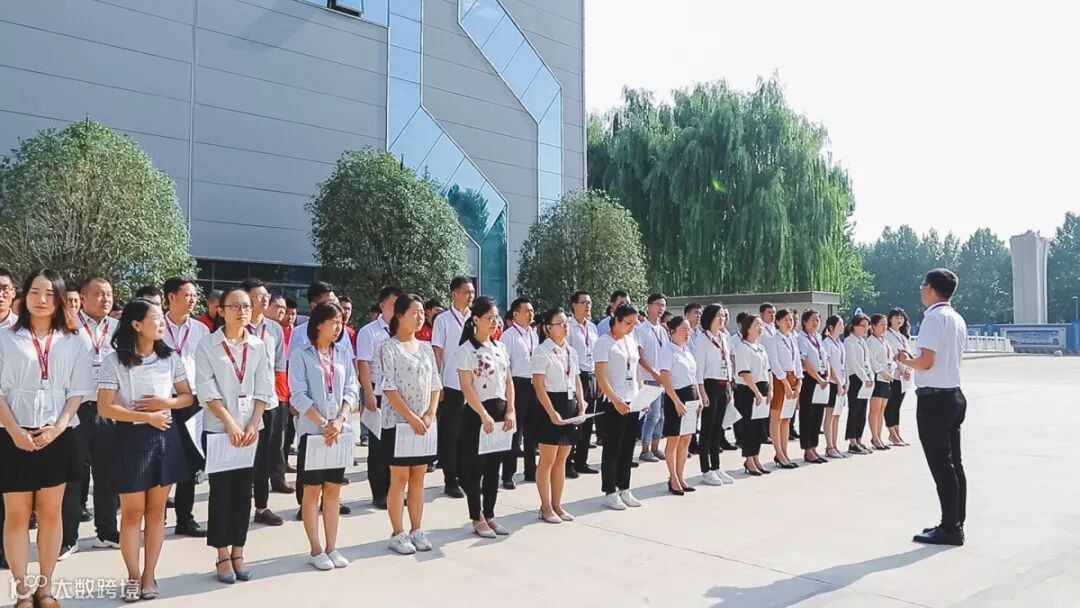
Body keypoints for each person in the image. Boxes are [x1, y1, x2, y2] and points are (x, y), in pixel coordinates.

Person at [0, 269, 94, 608]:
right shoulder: (5, 337)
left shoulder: (74, 340)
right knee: (17, 515)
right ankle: (21, 590)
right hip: (12, 434)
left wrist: (57, 428)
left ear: (60, 300)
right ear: (23, 295)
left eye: (50, 294)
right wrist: (15, 432)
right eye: (35, 292)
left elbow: (78, 391)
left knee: (51, 513)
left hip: (58, 436)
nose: (42, 299)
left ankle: (46, 587)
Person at [97, 298, 194, 600]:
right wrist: (145, 417)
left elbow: (187, 397)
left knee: (156, 512)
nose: (162, 322)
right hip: (130, 439)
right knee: (132, 512)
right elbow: (105, 407)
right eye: (155, 317)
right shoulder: (115, 361)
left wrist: (165, 403)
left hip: (165, 438)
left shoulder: (170, 358)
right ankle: (133, 575)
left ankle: (150, 574)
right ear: (136, 324)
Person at [194, 286, 274, 584]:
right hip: (220, 430)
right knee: (221, 493)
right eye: (235, 306)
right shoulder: (207, 345)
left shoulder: (258, 345)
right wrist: (229, 423)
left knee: (244, 492)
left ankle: (239, 550)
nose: (242, 311)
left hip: (251, 431)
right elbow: (206, 388)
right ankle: (222, 554)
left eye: (246, 306)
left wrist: (253, 423)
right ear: (221, 310)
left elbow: (264, 387)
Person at [897, 268, 967, 546]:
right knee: (954, 464)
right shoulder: (956, 317)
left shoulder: (933, 318)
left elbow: (926, 362)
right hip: (954, 395)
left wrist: (906, 360)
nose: (920, 290)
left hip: (934, 400)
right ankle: (956, 521)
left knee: (941, 466)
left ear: (930, 288)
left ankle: (949, 528)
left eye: (922, 285)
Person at [288, 302, 356, 570]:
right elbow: (298, 395)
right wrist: (323, 422)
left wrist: (339, 420)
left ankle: (332, 546)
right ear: (319, 324)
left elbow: (351, 389)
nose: (338, 327)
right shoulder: (301, 355)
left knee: (333, 489)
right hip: (313, 432)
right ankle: (316, 548)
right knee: (312, 490)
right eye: (333, 322)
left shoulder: (342, 353)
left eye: (341, 323)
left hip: (338, 432)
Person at [378, 294, 440, 554]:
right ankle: (397, 532)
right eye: (414, 312)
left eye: (422, 313)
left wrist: (429, 414)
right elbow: (389, 386)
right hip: (398, 423)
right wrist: (411, 417)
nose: (420, 317)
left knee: (418, 477)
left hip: (424, 424)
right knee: (399, 478)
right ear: (399, 316)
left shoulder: (426, 348)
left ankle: (417, 529)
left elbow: (435, 383)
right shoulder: (389, 347)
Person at [66, 277, 120, 557]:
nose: (105, 299)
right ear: (83, 298)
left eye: (109, 294)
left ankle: (107, 531)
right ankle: (68, 537)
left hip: (108, 409)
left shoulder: (119, 328)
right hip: (77, 408)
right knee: (73, 474)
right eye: (99, 294)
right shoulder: (69, 326)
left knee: (107, 474)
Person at [455, 297, 515, 538]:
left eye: (496, 318)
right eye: (489, 318)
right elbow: (467, 387)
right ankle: (476, 517)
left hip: (500, 411)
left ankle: (489, 514)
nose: (494, 322)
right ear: (476, 320)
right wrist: (483, 414)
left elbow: (508, 381)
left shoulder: (500, 347)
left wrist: (510, 410)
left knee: (494, 468)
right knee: (475, 469)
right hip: (476, 414)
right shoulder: (466, 350)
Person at [161, 277, 211, 538]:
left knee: (191, 461)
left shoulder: (201, 330)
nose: (192, 300)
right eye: (187, 295)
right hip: (163, 401)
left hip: (193, 401)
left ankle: (185, 518)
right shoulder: (156, 325)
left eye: (194, 295)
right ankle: (157, 516)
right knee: (162, 460)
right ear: (171, 297)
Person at [240, 279, 291, 528]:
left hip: (268, 402)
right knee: (242, 458)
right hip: (241, 404)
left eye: (266, 295)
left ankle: (262, 506)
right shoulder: (237, 326)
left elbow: (279, 365)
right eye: (258, 295)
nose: (264, 299)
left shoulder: (274, 329)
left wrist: (279, 397)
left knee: (263, 458)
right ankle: (239, 505)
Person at [531, 308, 584, 523]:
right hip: (550, 405)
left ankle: (557, 504)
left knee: (562, 458)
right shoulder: (542, 351)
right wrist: (551, 412)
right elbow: (538, 385)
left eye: (566, 323)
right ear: (548, 328)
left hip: (569, 404)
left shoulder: (571, 351)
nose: (565, 326)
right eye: (560, 323)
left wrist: (581, 406)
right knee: (548, 459)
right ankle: (545, 506)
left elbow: (577, 380)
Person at [593, 304, 644, 510]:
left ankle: (624, 487)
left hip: (632, 401)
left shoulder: (631, 340)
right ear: (616, 320)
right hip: (613, 402)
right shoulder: (603, 342)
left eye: (634, 323)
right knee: (612, 448)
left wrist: (642, 395)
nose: (632, 327)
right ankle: (610, 491)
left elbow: (636, 370)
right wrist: (615, 400)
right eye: (628, 323)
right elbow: (601, 377)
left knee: (628, 448)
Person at [355, 286, 401, 510]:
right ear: (382, 306)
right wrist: (368, 393)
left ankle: (394, 491)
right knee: (378, 447)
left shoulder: (403, 331)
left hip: (399, 393)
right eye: (393, 305)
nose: (397, 309)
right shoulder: (369, 331)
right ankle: (379, 493)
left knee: (395, 445)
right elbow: (363, 363)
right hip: (378, 391)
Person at [431, 276, 475, 499]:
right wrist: (437, 382)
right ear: (454, 294)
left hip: (474, 386)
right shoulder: (443, 320)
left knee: (469, 434)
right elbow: (437, 352)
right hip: (451, 384)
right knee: (451, 434)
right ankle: (451, 479)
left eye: (472, 292)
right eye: (466, 292)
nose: (470, 296)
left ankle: (466, 475)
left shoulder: (475, 319)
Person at [693, 304, 736, 486]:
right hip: (709, 385)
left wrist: (730, 385)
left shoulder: (724, 337)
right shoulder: (702, 340)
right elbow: (699, 370)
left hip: (724, 385)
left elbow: (728, 361)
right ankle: (706, 469)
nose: (721, 319)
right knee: (707, 429)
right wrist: (702, 392)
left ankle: (716, 467)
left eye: (723, 316)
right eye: (718, 316)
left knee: (718, 429)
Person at [658, 316, 700, 495]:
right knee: (674, 439)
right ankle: (673, 478)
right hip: (676, 397)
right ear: (672, 332)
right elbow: (665, 378)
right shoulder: (667, 350)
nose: (687, 333)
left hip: (691, 397)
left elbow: (693, 376)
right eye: (683, 329)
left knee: (686, 439)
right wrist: (676, 401)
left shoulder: (687, 351)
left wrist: (698, 398)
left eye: (688, 329)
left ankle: (681, 476)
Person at [499, 298, 538, 489]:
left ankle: (531, 470)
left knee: (532, 430)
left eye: (532, 311)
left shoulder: (534, 334)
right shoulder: (509, 336)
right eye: (527, 311)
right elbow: (504, 366)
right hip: (517, 384)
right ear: (515, 314)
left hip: (533, 384)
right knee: (514, 431)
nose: (531, 314)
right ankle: (508, 474)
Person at [732, 314, 772, 476]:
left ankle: (756, 457)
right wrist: (756, 392)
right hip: (748, 390)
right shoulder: (743, 347)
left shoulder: (760, 347)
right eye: (757, 325)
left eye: (761, 325)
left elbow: (768, 370)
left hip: (762, 388)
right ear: (748, 328)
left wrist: (770, 390)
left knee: (759, 427)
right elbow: (744, 373)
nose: (760, 328)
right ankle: (749, 459)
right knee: (748, 426)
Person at [566, 291, 599, 477]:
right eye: (584, 302)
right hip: (575, 376)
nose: (588, 306)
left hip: (591, 375)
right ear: (574, 305)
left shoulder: (592, 327)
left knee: (588, 421)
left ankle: (582, 461)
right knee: (575, 420)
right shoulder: (568, 326)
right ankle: (567, 462)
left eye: (589, 302)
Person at [764, 309, 800, 469]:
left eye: (791, 320)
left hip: (792, 378)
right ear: (777, 322)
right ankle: (778, 453)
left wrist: (799, 381)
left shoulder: (792, 338)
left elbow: (797, 361)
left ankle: (785, 453)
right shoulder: (773, 340)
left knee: (786, 418)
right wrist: (784, 383)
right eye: (785, 320)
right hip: (780, 380)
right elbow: (774, 362)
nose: (789, 323)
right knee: (776, 418)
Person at [634, 293, 668, 463]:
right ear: (649, 306)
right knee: (652, 415)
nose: (661, 308)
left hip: (662, 379)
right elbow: (639, 356)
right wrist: (653, 372)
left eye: (663, 305)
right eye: (657, 304)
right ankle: (645, 449)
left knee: (661, 416)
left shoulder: (662, 330)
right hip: (648, 378)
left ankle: (655, 447)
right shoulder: (641, 330)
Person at [797, 310, 830, 464]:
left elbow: (825, 358)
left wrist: (826, 376)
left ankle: (814, 447)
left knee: (818, 414)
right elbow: (804, 361)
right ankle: (807, 449)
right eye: (812, 320)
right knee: (807, 415)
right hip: (810, 379)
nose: (816, 323)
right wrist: (818, 378)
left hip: (822, 379)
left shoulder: (818, 337)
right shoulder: (801, 338)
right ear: (804, 322)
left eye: (818, 320)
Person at [844, 313, 874, 455]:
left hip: (866, 378)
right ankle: (852, 441)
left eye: (867, 326)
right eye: (862, 326)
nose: (865, 329)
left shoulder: (862, 341)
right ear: (854, 326)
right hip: (856, 378)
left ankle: (859, 438)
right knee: (854, 410)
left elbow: (867, 361)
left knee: (862, 411)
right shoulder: (849, 341)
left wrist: (870, 376)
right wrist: (864, 377)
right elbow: (853, 362)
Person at [820, 315, 848, 459]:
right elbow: (828, 365)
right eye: (839, 325)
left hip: (841, 384)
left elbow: (844, 364)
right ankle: (829, 446)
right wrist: (837, 381)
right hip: (832, 384)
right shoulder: (826, 343)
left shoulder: (840, 343)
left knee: (837, 415)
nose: (842, 327)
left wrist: (845, 382)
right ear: (831, 327)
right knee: (830, 415)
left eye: (843, 325)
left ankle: (835, 445)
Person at [866, 314, 895, 451]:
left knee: (882, 409)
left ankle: (879, 435)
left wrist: (891, 370)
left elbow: (891, 359)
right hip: (878, 377)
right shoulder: (871, 341)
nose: (884, 327)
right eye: (881, 325)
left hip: (886, 378)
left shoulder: (884, 341)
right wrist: (883, 372)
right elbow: (871, 360)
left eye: (886, 325)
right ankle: (875, 437)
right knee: (875, 409)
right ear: (873, 326)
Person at [884, 309, 913, 447]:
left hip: (904, 376)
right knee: (891, 405)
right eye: (896, 317)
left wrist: (909, 369)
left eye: (901, 318)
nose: (899, 320)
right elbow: (892, 356)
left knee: (897, 406)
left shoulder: (903, 336)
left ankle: (897, 433)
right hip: (894, 375)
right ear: (890, 319)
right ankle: (892, 434)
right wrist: (901, 369)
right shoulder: (887, 335)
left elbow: (909, 355)